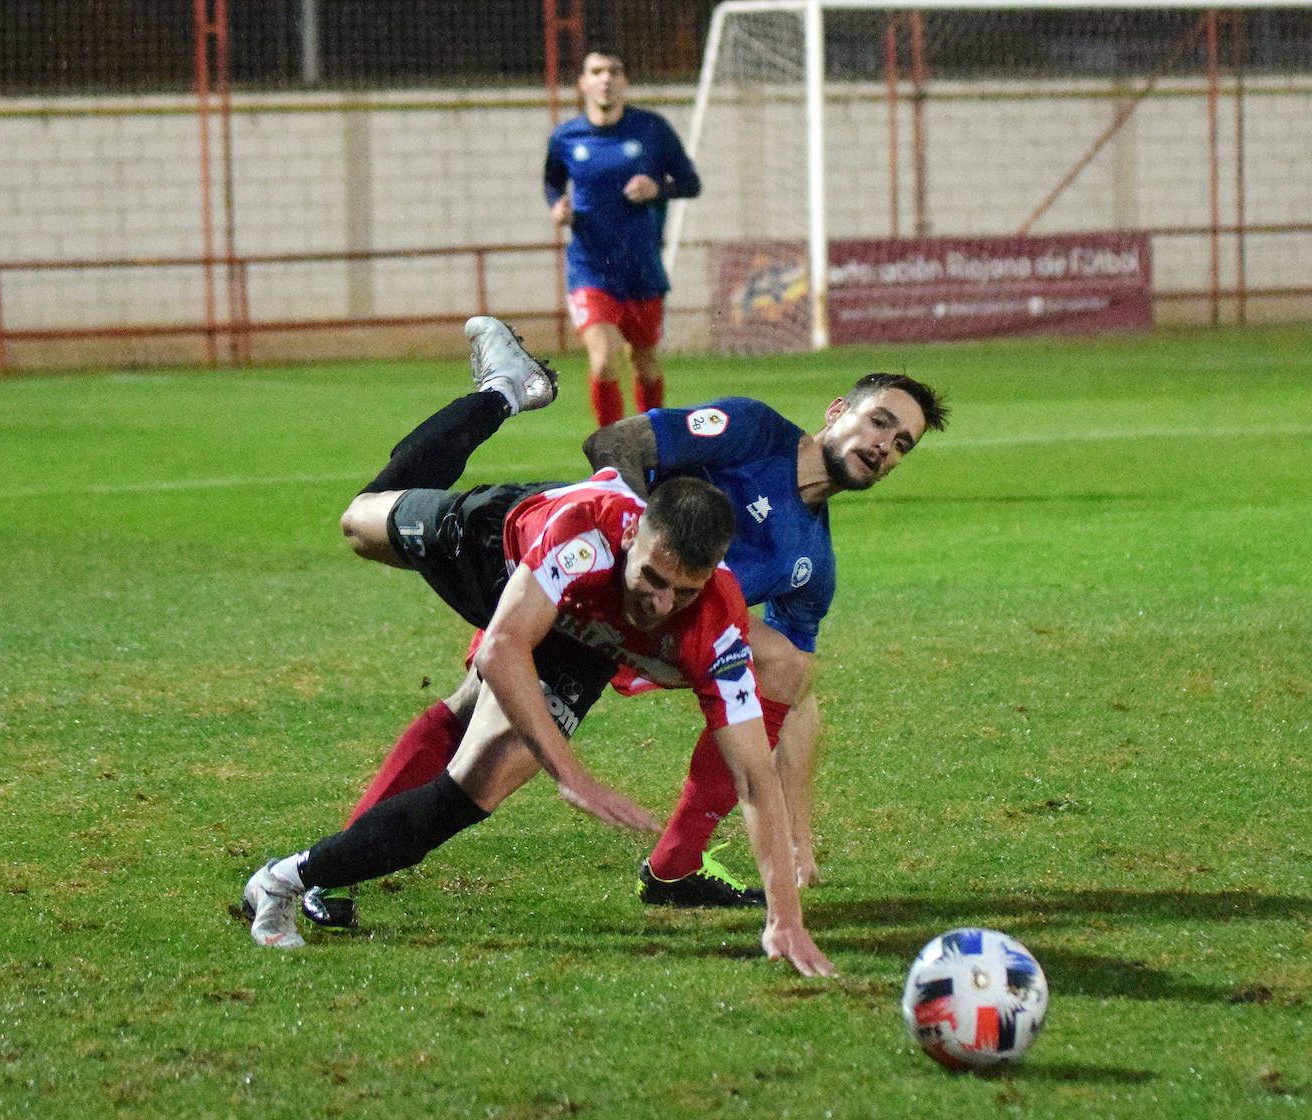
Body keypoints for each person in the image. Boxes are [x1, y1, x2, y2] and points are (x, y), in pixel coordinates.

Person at [241, 316, 835, 978]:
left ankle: (286, 880)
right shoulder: (587, 529)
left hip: (580, 637)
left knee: (478, 788)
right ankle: (504, 390)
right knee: (359, 520)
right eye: (653, 580)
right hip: (490, 550)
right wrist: (572, 775)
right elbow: (502, 648)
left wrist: (785, 918)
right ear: (635, 536)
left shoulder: (718, 618)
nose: (661, 604)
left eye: (684, 592)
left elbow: (755, 773)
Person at [319, 372, 947, 922]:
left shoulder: (814, 563)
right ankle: (500, 394)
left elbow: (789, 698)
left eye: (900, 445)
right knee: (363, 531)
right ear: (839, 411)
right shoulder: (755, 432)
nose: (882, 447)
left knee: (787, 664)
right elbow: (613, 442)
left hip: (608, 637)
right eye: (879, 422)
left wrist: (798, 836)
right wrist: (639, 538)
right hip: (565, 559)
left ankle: (677, 864)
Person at [544, 47, 701, 428]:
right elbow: (552, 182)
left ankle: (652, 441)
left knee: (645, 362)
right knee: (602, 358)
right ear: (583, 82)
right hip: (590, 269)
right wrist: (557, 206)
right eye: (597, 71)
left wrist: (656, 188)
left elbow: (690, 183)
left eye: (614, 71)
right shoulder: (566, 138)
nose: (606, 79)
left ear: (624, 81)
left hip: (641, 268)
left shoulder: (652, 130)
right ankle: (610, 450)